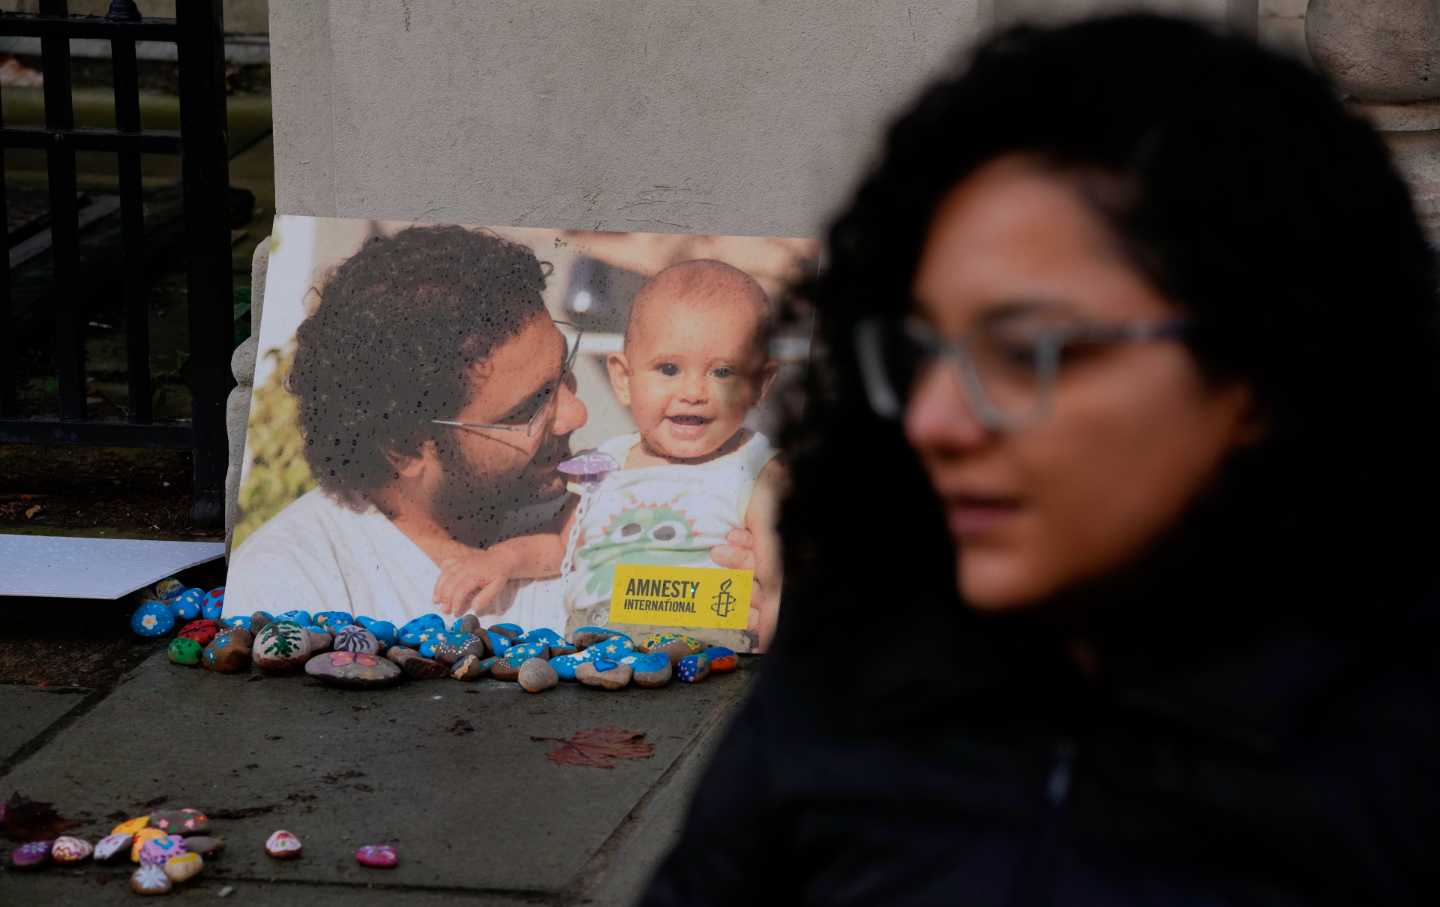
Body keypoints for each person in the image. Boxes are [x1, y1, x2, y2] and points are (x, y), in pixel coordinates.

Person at [641, 14, 1440, 906]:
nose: (935, 419)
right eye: (922, 353)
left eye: (1026, 352)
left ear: (1259, 367)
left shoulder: (1398, 743)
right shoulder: (858, 653)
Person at [224, 227, 767, 631]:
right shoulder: (296, 582)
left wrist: (740, 599)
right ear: (405, 447)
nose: (577, 416)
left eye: (565, 375)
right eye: (528, 408)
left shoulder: (602, 501)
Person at [432, 259, 786, 652]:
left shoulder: (756, 468)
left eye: (722, 373)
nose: (693, 392)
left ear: (759, 385)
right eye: (669, 369)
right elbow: (564, 547)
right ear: (623, 378)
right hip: (595, 638)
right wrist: (501, 560)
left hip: (704, 641)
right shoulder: (608, 462)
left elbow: (776, 578)